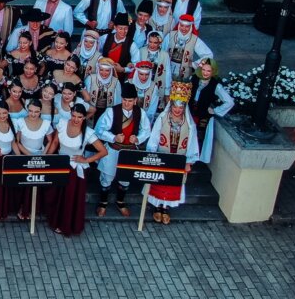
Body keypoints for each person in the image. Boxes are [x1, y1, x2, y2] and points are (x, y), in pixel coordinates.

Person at [46, 103, 107, 236]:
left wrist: (86, 160)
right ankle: (56, 220)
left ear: (84, 117)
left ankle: (68, 225)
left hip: (75, 170)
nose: (76, 119)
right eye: (73, 116)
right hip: (61, 165)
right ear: (70, 114)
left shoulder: (88, 133)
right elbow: (55, 143)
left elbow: (103, 151)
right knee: (58, 195)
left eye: (79, 117)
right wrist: (47, 159)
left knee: (70, 198)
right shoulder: (62, 124)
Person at [94, 83, 151, 218]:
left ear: (135, 100)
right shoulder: (112, 111)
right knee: (107, 177)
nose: (126, 103)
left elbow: (146, 131)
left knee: (125, 178)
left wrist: (137, 138)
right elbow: (99, 129)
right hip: (113, 150)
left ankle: (120, 202)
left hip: (129, 152)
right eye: (124, 100)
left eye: (130, 101)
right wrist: (113, 137)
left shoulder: (140, 113)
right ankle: (103, 203)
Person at [147, 86, 200, 225]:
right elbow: (154, 138)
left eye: (180, 108)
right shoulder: (162, 118)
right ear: (170, 106)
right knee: (160, 182)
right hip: (162, 158)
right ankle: (157, 206)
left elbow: (192, 143)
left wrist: (189, 161)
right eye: (175, 107)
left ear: (184, 108)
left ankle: (166, 208)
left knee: (172, 184)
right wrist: (152, 155)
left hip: (178, 160)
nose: (177, 110)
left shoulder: (189, 124)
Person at [13, 103, 56, 220]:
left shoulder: (46, 123)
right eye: (31, 111)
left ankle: (34, 209)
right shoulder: (20, 122)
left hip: (40, 156)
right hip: (24, 155)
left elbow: (50, 140)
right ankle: (23, 208)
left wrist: (43, 154)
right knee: (24, 185)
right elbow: (17, 142)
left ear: (40, 111)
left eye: (36, 112)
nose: (33, 114)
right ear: (27, 110)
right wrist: (29, 155)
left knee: (37, 184)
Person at [189, 58, 234, 164]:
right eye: (204, 70)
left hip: (202, 115)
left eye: (208, 71)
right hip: (190, 111)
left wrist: (215, 110)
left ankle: (193, 160)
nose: (205, 73)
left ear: (213, 71)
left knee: (198, 137)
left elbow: (229, 102)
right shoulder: (194, 78)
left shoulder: (215, 85)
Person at [164, 14, 214, 81]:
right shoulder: (170, 35)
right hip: (167, 70)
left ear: (191, 26)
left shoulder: (195, 39)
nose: (184, 29)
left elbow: (209, 55)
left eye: (187, 26)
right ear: (179, 25)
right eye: (182, 25)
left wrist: (194, 64)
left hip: (184, 74)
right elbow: (162, 50)